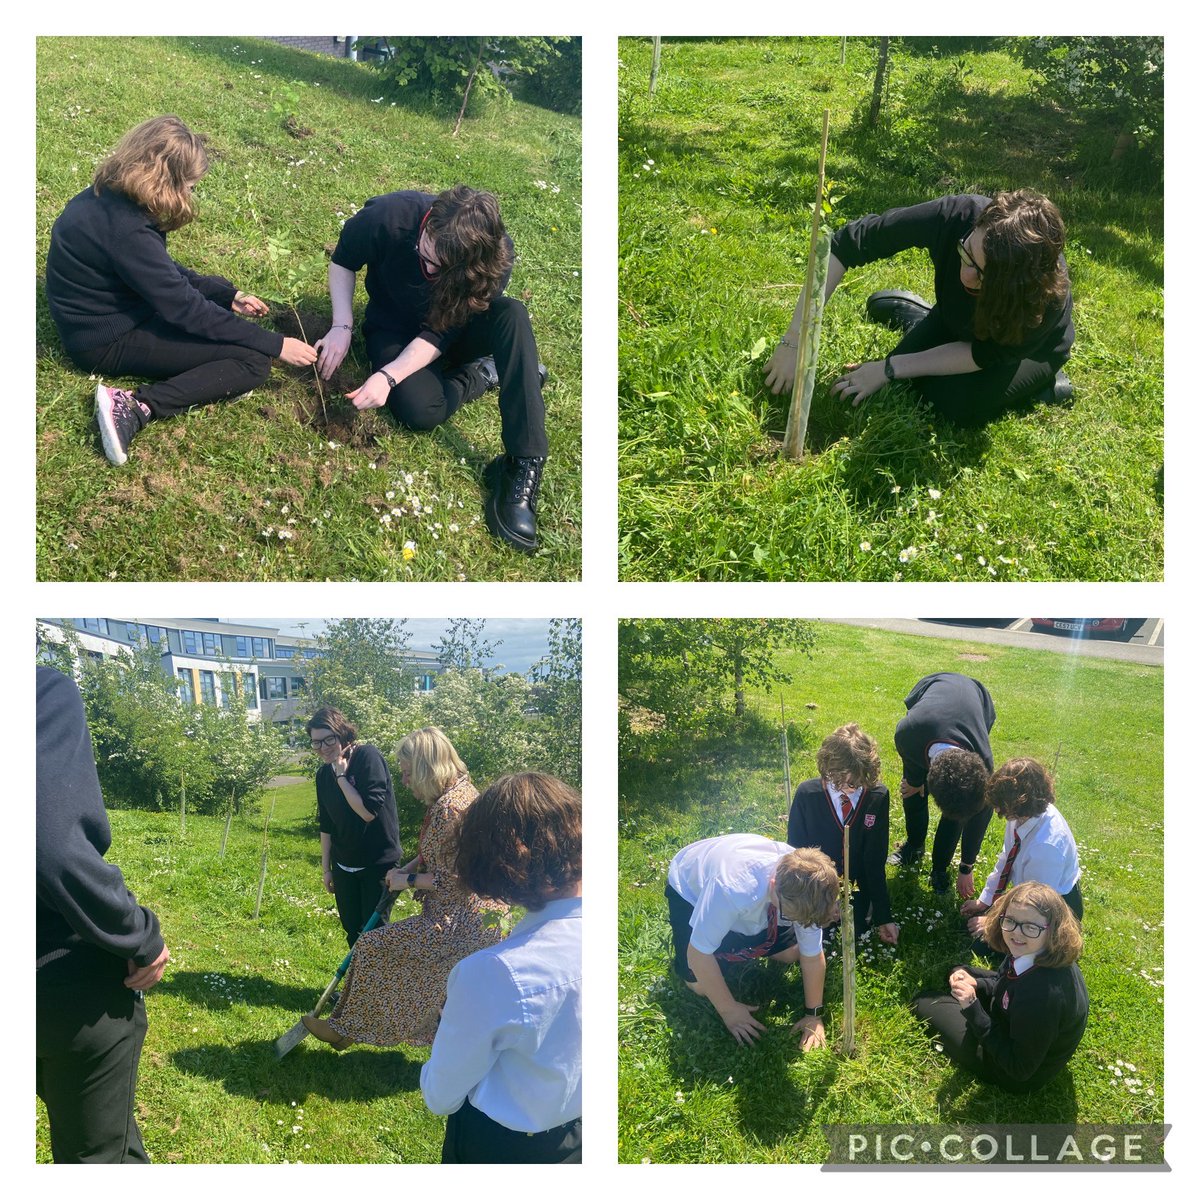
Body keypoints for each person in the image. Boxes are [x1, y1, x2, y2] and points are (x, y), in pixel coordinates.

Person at [44, 115, 318, 467]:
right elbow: (185, 310)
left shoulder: (106, 198)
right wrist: (276, 344)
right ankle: (137, 406)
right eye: (189, 185)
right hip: (103, 341)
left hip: (109, 314)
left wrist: (226, 295)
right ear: (166, 179)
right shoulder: (128, 232)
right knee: (251, 362)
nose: (190, 194)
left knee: (218, 300)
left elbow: (159, 270)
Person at [314, 184, 549, 552]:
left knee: (513, 316)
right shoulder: (389, 217)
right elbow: (343, 260)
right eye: (424, 255)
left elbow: (444, 332)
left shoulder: (495, 258)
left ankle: (522, 463)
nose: (428, 269)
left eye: (440, 269)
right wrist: (342, 326)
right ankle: (485, 373)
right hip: (395, 326)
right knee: (420, 410)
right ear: (425, 228)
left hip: (457, 328)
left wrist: (389, 375)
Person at [764, 191, 1073, 427]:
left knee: (947, 404)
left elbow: (984, 354)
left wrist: (888, 368)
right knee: (911, 383)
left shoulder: (1042, 299)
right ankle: (924, 319)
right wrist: (795, 340)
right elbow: (846, 244)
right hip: (958, 320)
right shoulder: (955, 215)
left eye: (984, 277)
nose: (966, 275)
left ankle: (1044, 383)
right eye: (966, 255)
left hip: (1021, 350)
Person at [36, 666, 171, 1163]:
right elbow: (51, 847)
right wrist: (142, 937)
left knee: (106, 1127)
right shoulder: (36, 688)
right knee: (92, 1159)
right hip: (63, 987)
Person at [302, 727, 508, 1049]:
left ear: (427, 767)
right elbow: (442, 853)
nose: (405, 780)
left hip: (463, 922)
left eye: (408, 772)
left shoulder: (450, 808)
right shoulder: (462, 794)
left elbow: (458, 880)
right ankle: (351, 1027)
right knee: (404, 966)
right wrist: (410, 866)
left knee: (371, 947)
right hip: (480, 917)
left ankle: (349, 1030)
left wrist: (407, 881)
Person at [421, 773, 582, 1164]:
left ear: (494, 866)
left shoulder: (491, 973)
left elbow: (440, 1097)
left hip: (502, 1147)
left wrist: (449, 1030)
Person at [665, 834, 840, 1049]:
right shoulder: (732, 890)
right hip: (690, 887)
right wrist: (728, 1009)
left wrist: (813, 1015)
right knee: (699, 984)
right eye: (790, 916)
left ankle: (738, 940)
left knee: (793, 953)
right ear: (774, 884)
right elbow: (697, 955)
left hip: (745, 897)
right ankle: (727, 938)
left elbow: (812, 957)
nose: (798, 924)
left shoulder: (810, 889)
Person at [912, 881, 1089, 1093]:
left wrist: (973, 1008)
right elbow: (1007, 981)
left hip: (1012, 1071)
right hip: (1019, 1023)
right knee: (959, 971)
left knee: (924, 1001)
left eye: (1031, 927)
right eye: (1011, 921)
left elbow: (1019, 1068)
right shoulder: (1038, 952)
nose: (1017, 934)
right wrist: (977, 983)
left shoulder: (1043, 996)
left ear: (1053, 929)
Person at [786, 723, 897, 944]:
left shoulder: (877, 796)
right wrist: (824, 899)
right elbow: (796, 856)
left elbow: (874, 861)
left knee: (855, 934)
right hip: (815, 887)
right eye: (843, 781)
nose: (852, 788)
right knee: (815, 936)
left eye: (858, 781)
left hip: (857, 887)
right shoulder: (807, 795)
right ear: (828, 769)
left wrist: (884, 916)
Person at [889, 671, 996, 896]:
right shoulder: (908, 734)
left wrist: (966, 867)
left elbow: (980, 818)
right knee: (912, 790)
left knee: (959, 811)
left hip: (977, 696)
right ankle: (915, 846)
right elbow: (912, 766)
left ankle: (939, 869)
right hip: (936, 684)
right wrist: (918, 782)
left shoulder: (983, 766)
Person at [961, 757, 1083, 950]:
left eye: (1002, 806)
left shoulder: (1046, 847)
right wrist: (985, 900)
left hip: (1051, 909)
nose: (998, 810)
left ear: (1019, 803)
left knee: (983, 944)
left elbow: (1036, 904)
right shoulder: (1023, 815)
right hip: (1028, 895)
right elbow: (1006, 856)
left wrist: (992, 922)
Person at [307, 707, 403, 947]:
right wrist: (326, 868)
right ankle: (358, 984)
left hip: (377, 864)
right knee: (352, 930)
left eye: (329, 739)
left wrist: (341, 778)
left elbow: (368, 812)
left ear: (342, 734)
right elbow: (327, 824)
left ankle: (378, 984)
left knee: (374, 934)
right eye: (316, 743)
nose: (323, 747)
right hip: (343, 866)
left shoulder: (367, 758)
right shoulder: (322, 775)